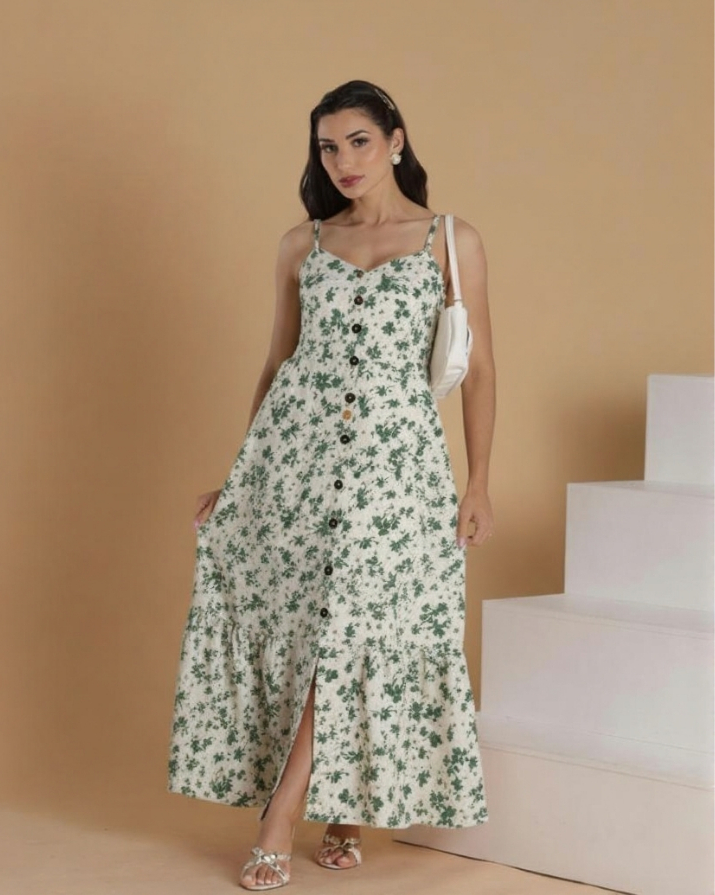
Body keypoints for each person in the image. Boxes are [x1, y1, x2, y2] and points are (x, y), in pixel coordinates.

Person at [167, 79, 496, 890]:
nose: (342, 160)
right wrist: (240, 478)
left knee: (362, 629)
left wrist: (479, 483)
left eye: (358, 141)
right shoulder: (301, 244)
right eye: (327, 146)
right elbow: (278, 364)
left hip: (398, 473)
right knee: (319, 632)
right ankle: (340, 810)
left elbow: (481, 369)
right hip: (298, 466)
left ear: (395, 141)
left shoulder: (451, 240)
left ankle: (281, 818)